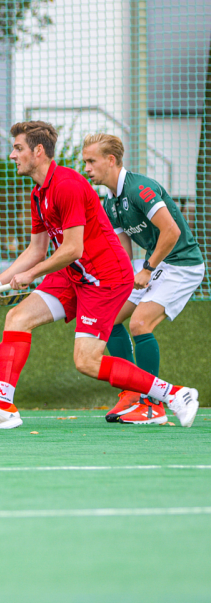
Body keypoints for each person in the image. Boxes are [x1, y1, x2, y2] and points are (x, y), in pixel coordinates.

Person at [0, 122, 198, 430]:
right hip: (73, 274)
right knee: (17, 318)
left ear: (38, 151)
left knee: (86, 361)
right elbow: (35, 250)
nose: (12, 155)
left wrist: (31, 275)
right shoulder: (38, 194)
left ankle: (176, 394)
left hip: (106, 278)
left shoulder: (67, 185)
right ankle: (3, 407)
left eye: (18, 148)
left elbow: (73, 248)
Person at [81, 133, 205, 424]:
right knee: (108, 317)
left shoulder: (141, 188)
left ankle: (154, 406)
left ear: (111, 161)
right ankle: (133, 392)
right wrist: (117, 281)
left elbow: (171, 232)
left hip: (182, 264)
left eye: (91, 161)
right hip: (156, 263)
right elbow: (122, 252)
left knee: (139, 323)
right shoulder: (110, 203)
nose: (86, 168)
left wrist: (147, 268)